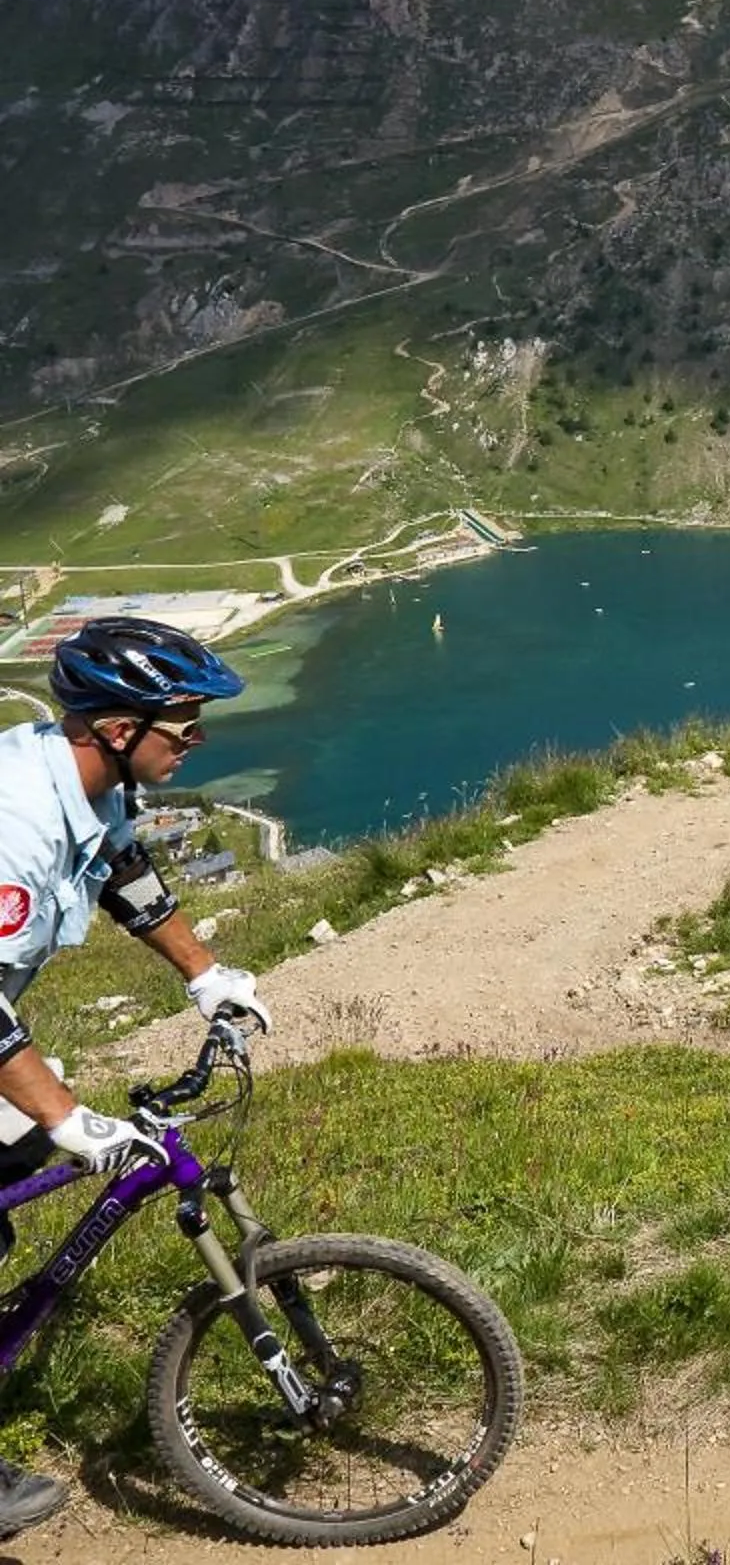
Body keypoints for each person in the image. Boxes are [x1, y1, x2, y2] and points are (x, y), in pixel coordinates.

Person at [0, 617, 273, 1537]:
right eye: (186, 726)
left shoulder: (89, 783)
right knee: (39, 1131)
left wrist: (206, 975)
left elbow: (124, 871)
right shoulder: (14, 823)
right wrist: (68, 1116)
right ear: (120, 729)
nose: (198, 741)